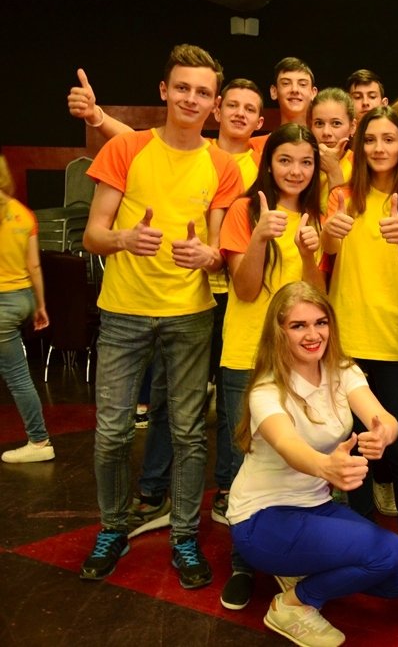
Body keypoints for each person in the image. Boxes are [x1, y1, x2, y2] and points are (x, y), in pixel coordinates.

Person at [67, 73, 265, 538]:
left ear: (211, 102)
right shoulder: (126, 148)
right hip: (123, 312)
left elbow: (218, 251)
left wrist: (207, 256)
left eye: (201, 92)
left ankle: (185, 534)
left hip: (192, 313)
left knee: (189, 432)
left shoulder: (226, 166)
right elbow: (92, 235)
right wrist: (123, 239)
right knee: (113, 434)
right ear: (163, 90)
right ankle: (114, 528)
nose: (191, 99)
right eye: (183, 88)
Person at [227, 281, 398, 647]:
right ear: (279, 332)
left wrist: (383, 434)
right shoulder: (266, 390)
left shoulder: (343, 371)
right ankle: (293, 604)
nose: (313, 334)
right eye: (298, 325)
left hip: (314, 506)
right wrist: (324, 467)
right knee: (389, 552)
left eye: (321, 322)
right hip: (262, 516)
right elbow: (288, 444)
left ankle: (300, 571)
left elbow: (384, 418)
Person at [218, 123, 325, 609]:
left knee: (297, 458)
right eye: (286, 160)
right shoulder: (245, 209)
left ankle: (293, 551)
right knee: (242, 459)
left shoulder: (319, 214)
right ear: (269, 162)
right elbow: (243, 290)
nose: (296, 171)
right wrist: (260, 236)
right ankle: (242, 561)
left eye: (306, 162)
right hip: (247, 352)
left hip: (301, 359)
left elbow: (318, 298)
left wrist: (308, 254)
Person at [324, 105, 398, 544]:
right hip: (347, 339)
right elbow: (329, 248)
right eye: (370, 140)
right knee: (356, 447)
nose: (379, 148)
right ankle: (363, 534)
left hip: (396, 338)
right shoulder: (342, 194)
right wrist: (332, 230)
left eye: (389, 139)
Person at [0, 189, 53, 463]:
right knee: (18, 374)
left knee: (17, 376)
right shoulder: (24, 213)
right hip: (22, 298)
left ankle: (39, 440)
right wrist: (40, 304)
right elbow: (34, 265)